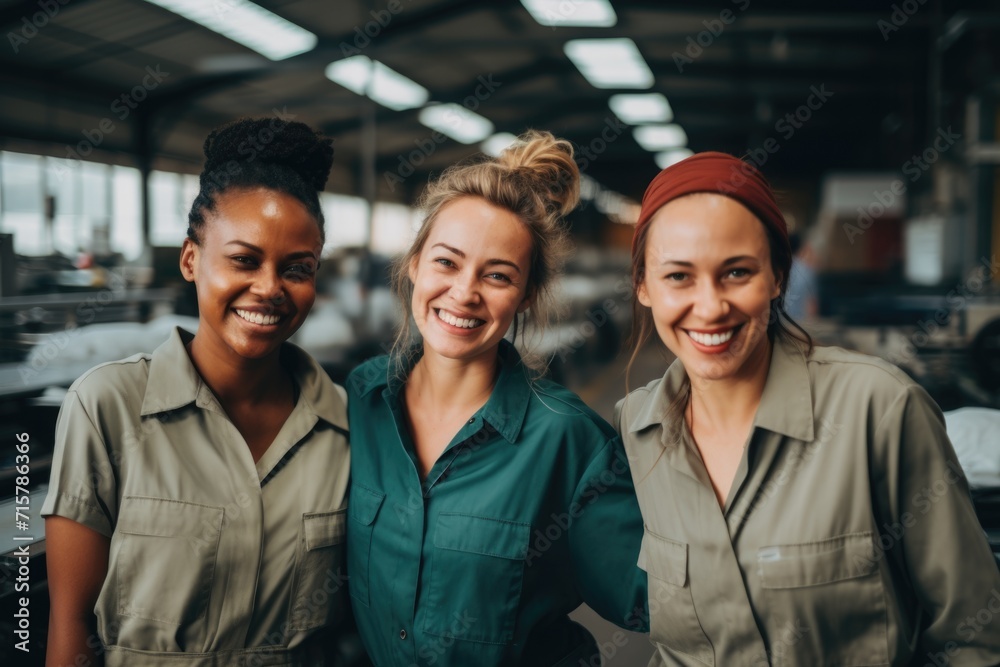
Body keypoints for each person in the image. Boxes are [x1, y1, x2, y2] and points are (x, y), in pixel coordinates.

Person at [618, 151, 1000, 666]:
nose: (709, 307)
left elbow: (971, 637)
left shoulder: (878, 409)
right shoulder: (637, 430)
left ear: (778, 277)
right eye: (678, 277)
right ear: (643, 286)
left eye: (736, 272)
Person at [42, 118, 352, 666]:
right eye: (244, 259)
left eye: (296, 269)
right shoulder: (107, 407)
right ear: (191, 259)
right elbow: (68, 630)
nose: (269, 288)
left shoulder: (347, 429)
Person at [346, 130, 647, 666]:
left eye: (498, 275)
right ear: (415, 264)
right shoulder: (361, 402)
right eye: (446, 262)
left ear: (526, 296)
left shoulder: (568, 440)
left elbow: (662, 600)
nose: (464, 292)